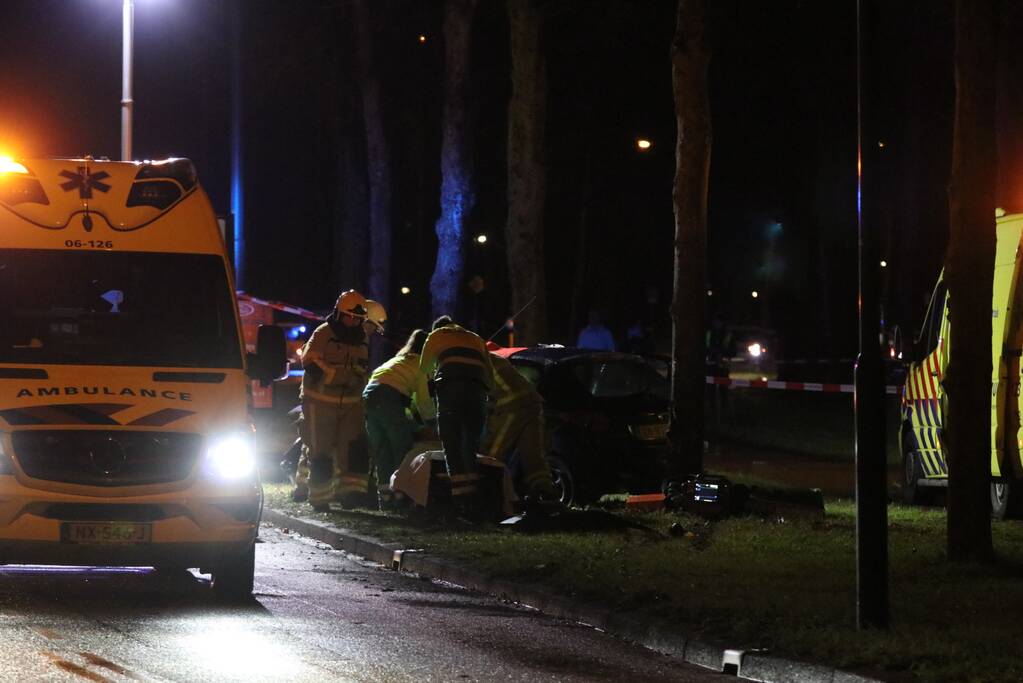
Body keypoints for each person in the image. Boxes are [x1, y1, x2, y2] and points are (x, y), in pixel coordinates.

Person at [298, 289, 371, 512]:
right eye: (350, 317)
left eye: (358, 319)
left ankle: (349, 494)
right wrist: (340, 376)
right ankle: (320, 498)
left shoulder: (362, 338)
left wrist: (356, 377)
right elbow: (310, 362)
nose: (353, 322)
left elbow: (362, 365)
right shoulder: (323, 333)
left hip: (351, 403)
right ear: (339, 314)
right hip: (320, 403)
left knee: (351, 449)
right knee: (320, 451)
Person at [419, 315, 495, 519]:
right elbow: (491, 374)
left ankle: (461, 502)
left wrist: (427, 413)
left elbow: (423, 371)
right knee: (470, 445)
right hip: (478, 390)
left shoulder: (436, 335)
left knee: (451, 444)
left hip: (450, 387)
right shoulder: (475, 338)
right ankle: (473, 500)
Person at [362, 329, 433, 510]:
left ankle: (384, 499)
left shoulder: (398, 360)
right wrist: (431, 424)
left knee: (381, 449)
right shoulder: (421, 364)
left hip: (369, 395)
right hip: (388, 396)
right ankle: (401, 496)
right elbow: (424, 403)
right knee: (401, 446)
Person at [481, 347, 555, 500]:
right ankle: (547, 494)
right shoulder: (493, 358)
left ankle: (486, 499)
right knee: (534, 456)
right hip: (533, 404)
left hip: (511, 406)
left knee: (491, 454)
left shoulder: (473, 362)